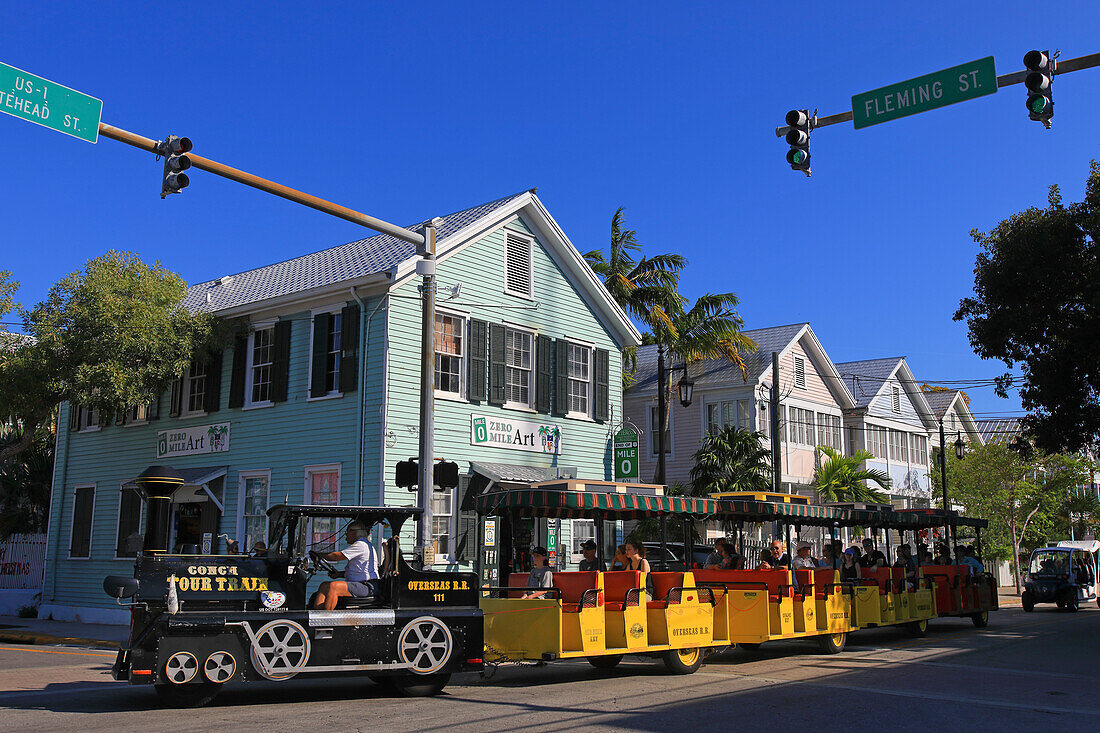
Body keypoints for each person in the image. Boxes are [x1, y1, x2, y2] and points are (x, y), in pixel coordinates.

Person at [311, 521, 379, 610]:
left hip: (367, 586)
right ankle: (316, 613)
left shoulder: (361, 545)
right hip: (359, 584)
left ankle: (325, 618)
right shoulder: (362, 545)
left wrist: (320, 555)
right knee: (324, 585)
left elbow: (337, 556)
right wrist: (339, 574)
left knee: (334, 587)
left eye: (347, 533)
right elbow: (358, 571)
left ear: (354, 532)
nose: (345, 536)